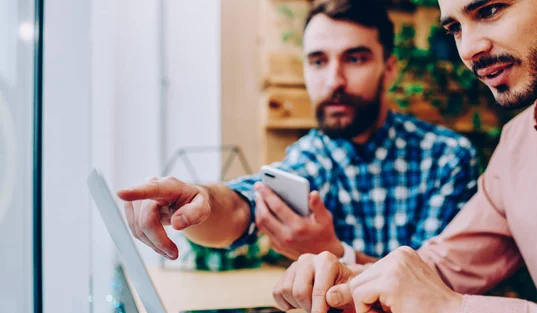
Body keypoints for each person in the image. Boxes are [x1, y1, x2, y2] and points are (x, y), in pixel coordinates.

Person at [279, 0, 537, 313]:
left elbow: (443, 302)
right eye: (456, 29)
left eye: (490, 11)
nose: (468, 50)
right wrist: (342, 286)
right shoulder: (518, 144)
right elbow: (441, 267)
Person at [117, 0, 479, 264]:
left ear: (389, 69)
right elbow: (242, 208)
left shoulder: (447, 157)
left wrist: (338, 255)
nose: (334, 80)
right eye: (318, 61)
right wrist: (198, 200)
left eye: (355, 59)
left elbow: (433, 281)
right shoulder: (312, 156)